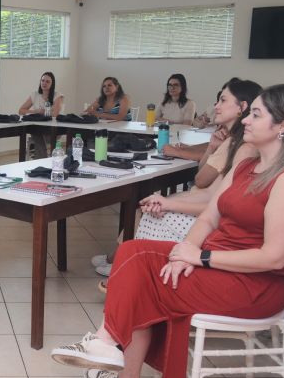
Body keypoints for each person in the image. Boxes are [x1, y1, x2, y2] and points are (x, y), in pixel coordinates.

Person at [52, 84, 284, 378]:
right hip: (219, 262)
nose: (246, 120)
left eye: (256, 115)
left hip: (256, 285)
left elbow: (274, 258)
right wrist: (182, 253)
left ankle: (115, 359)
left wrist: (201, 257)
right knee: (131, 251)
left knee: (142, 273)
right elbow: (209, 216)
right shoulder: (248, 166)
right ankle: (114, 357)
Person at [92, 79, 262, 278]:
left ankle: (125, 267)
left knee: (148, 213)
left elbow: (205, 187)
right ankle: (123, 263)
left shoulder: (243, 146)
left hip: (208, 215)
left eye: (222, 100)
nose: (216, 106)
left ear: (242, 107)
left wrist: (169, 203)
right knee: (150, 206)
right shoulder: (232, 141)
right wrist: (210, 148)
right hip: (206, 205)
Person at [18, 71, 64, 158]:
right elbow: (21, 110)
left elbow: (55, 114)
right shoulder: (35, 95)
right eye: (42, 80)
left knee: (36, 136)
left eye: (47, 81)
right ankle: (40, 158)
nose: (44, 83)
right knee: (34, 132)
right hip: (38, 128)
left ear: (52, 84)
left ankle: (37, 154)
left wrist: (46, 111)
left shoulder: (58, 95)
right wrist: (36, 111)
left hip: (54, 129)